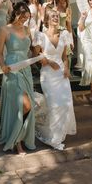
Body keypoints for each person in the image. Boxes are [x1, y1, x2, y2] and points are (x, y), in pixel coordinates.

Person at [33, 9, 76, 150]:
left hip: (61, 75)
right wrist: (47, 61)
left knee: (65, 104)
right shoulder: (40, 36)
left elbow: (64, 56)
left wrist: (67, 68)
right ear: (47, 19)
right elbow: (35, 55)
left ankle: (58, 137)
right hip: (48, 75)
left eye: (57, 16)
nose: (56, 18)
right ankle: (52, 138)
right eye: (53, 16)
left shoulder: (64, 34)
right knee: (54, 105)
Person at [0, 2, 36, 155]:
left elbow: (32, 51)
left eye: (27, 18)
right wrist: (3, 66)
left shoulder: (27, 30)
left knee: (27, 106)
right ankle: (17, 141)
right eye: (22, 18)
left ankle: (21, 138)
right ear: (16, 14)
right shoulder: (4, 29)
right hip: (12, 70)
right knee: (23, 105)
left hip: (26, 70)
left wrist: (39, 49)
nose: (24, 21)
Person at [46, 0, 74, 70]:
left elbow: (69, 25)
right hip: (53, 35)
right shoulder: (49, 7)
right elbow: (46, 23)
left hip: (64, 35)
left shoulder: (67, 8)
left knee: (66, 58)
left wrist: (71, 40)